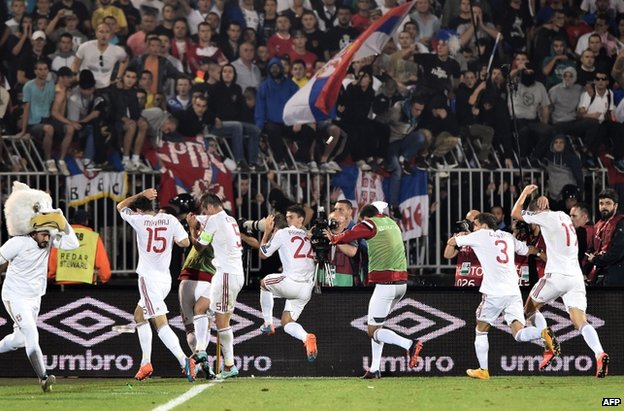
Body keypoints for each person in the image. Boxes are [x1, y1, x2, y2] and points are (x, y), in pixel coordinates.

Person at [512, 184, 610, 377]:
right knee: (579, 321)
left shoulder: (545, 217)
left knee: (528, 311)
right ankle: (599, 353)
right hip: (575, 278)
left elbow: (516, 212)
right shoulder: (565, 216)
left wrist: (524, 192)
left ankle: (548, 343)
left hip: (556, 276)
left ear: (537, 212)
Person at [448, 213, 554, 380]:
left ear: (483, 226)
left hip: (494, 293)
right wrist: (540, 252)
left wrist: (460, 235)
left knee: (481, 331)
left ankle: (483, 370)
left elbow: (451, 243)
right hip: (513, 291)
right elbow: (527, 250)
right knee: (519, 334)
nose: (473, 228)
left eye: (475, 225)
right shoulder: (507, 236)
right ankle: (542, 333)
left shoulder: (480, 235)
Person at [328, 202, 422, 379]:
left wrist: (333, 237)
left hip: (385, 285)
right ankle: (374, 369)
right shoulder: (391, 223)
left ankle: (410, 344)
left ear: (365, 217)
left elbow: (349, 235)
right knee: (377, 326)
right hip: (401, 284)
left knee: (372, 331)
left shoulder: (369, 223)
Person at [116, 187, 195, 382]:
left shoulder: (139, 220)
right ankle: (145, 362)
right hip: (165, 279)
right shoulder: (170, 219)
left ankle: (184, 360)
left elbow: (120, 206)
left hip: (148, 279)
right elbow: (185, 243)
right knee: (139, 315)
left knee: (160, 323)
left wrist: (139, 194)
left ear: (139, 210)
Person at [0, 199, 78, 392]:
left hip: (34, 298)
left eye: (48, 234)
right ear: (33, 232)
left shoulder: (48, 241)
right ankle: (43, 377)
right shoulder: (17, 242)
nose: (47, 238)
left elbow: (73, 244)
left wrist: (58, 216)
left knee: (19, 340)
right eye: (44, 234)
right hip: (15, 296)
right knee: (32, 334)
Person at [194, 193, 245, 379]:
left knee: (222, 321)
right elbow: (204, 221)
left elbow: (199, 247)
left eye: (204, 210)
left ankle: (230, 365)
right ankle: (200, 349)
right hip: (229, 274)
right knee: (200, 307)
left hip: (226, 275)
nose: (204, 214)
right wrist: (196, 220)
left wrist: (193, 229)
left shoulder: (213, 220)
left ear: (210, 207)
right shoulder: (229, 218)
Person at [257, 206, 318, 362]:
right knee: (287, 322)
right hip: (306, 289)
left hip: (292, 282)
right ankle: (306, 337)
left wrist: (266, 233)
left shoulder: (282, 233)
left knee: (264, 283)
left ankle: (267, 323)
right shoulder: (307, 234)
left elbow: (263, 254)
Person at [179, 200, 217, 379]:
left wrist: (192, 228)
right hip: (202, 280)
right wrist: (194, 228)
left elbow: (199, 246)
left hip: (189, 280)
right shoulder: (215, 230)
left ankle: (198, 362)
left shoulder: (210, 233)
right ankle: (202, 361)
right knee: (202, 323)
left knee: (191, 328)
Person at [48, 209, 111, 284]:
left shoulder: (62, 235)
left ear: (73, 221)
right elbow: (102, 262)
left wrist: (51, 275)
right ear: (87, 221)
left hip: (63, 283)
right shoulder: (93, 237)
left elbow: (53, 259)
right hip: (85, 284)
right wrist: (104, 278)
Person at [586, 189, 624, 286]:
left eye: (608, 203)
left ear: (615, 205)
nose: (604, 207)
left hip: (617, 277)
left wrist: (596, 260)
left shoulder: (621, 223)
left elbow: (617, 252)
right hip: (600, 274)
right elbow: (592, 249)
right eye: (601, 203)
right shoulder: (598, 225)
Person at [444, 209, 482, 287]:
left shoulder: (484, 238)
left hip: (478, 286)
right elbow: (448, 255)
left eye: (473, 222)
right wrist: (456, 235)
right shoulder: (462, 238)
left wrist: (469, 236)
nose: (469, 225)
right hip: (461, 284)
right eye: (467, 222)